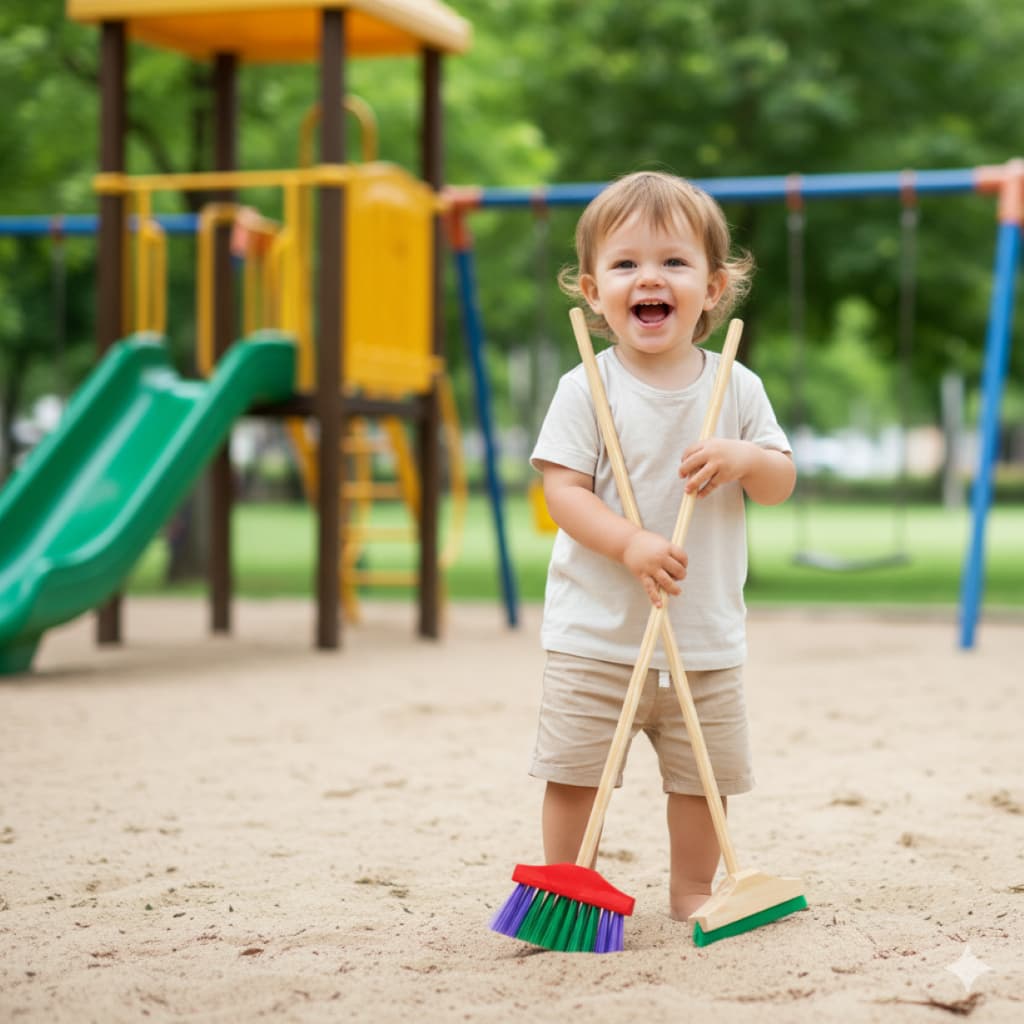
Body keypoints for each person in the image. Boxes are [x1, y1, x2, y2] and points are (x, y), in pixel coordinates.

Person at [528, 170, 796, 921]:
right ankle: (566, 886)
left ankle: (692, 893)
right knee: (576, 772)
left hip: (703, 637)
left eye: (673, 261)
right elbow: (563, 493)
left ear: (713, 288)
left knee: (703, 779)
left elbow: (780, 481)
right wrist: (629, 544)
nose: (649, 277)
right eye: (625, 264)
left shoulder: (736, 387)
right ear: (592, 291)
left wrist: (746, 459)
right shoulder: (586, 386)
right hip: (596, 634)